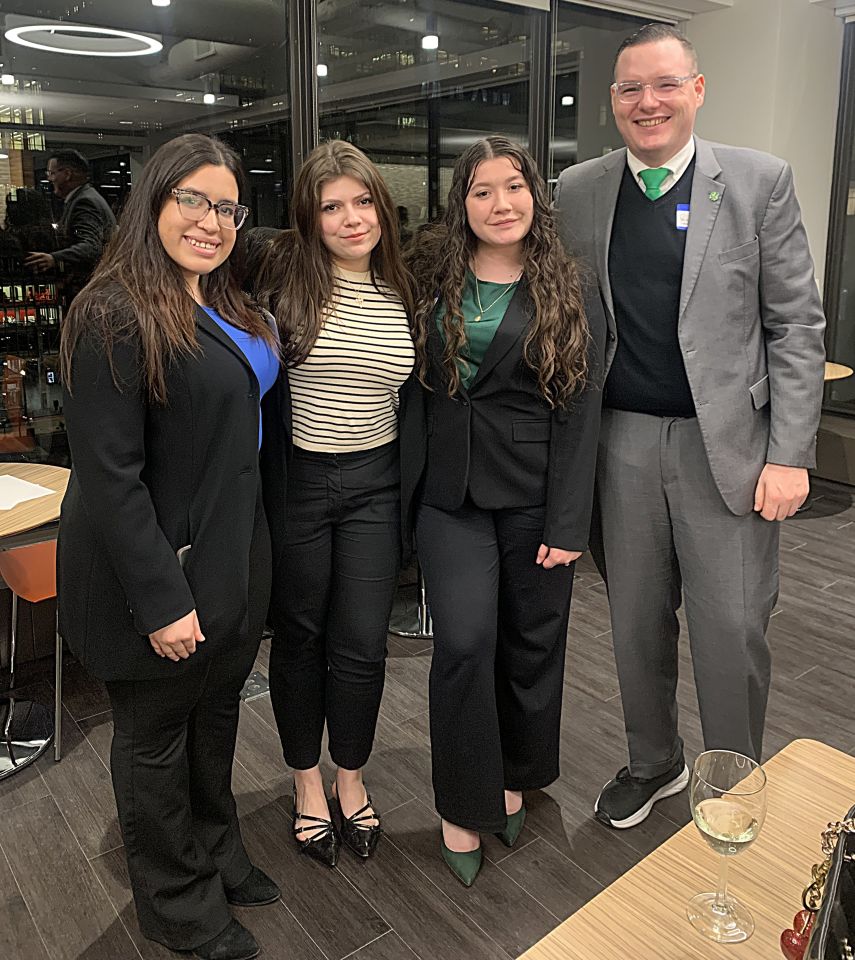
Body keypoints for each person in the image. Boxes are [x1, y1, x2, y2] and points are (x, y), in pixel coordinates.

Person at [553, 23, 826, 830]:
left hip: (730, 451)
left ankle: (732, 774)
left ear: (696, 90)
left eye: (665, 84)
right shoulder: (578, 190)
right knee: (635, 620)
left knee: (731, 625)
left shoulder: (756, 182)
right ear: (611, 102)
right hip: (620, 442)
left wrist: (790, 453)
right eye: (630, 89)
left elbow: (796, 327)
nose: (648, 103)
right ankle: (653, 762)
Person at [58, 134, 283, 960]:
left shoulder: (225, 302)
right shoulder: (113, 311)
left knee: (214, 721)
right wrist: (164, 601)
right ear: (153, 199)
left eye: (226, 207)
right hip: (155, 577)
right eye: (192, 198)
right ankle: (177, 904)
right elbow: (110, 478)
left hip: (227, 561)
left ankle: (216, 851)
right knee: (154, 743)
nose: (210, 220)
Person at [402, 136, 605, 886]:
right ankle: (462, 804)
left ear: (534, 196)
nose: (499, 204)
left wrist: (567, 522)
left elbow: (583, 410)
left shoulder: (569, 285)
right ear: (461, 204)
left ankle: (516, 771)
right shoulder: (432, 277)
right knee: (462, 643)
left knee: (530, 644)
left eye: (512, 187)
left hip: (534, 496)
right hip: (448, 495)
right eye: (481, 191)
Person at [252, 141, 415, 866]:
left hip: (377, 486)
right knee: (299, 638)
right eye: (331, 207)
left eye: (362, 202)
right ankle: (306, 781)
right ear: (308, 219)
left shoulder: (406, 289)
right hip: (301, 485)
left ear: (381, 206)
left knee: (360, 643)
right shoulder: (279, 284)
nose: (351, 219)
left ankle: (350, 777)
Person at [25, 149, 116, 296]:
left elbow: (91, 246)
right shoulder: (85, 197)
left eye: (52, 173)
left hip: (90, 289)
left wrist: (54, 258)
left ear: (67, 174)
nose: (50, 179)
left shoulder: (84, 201)